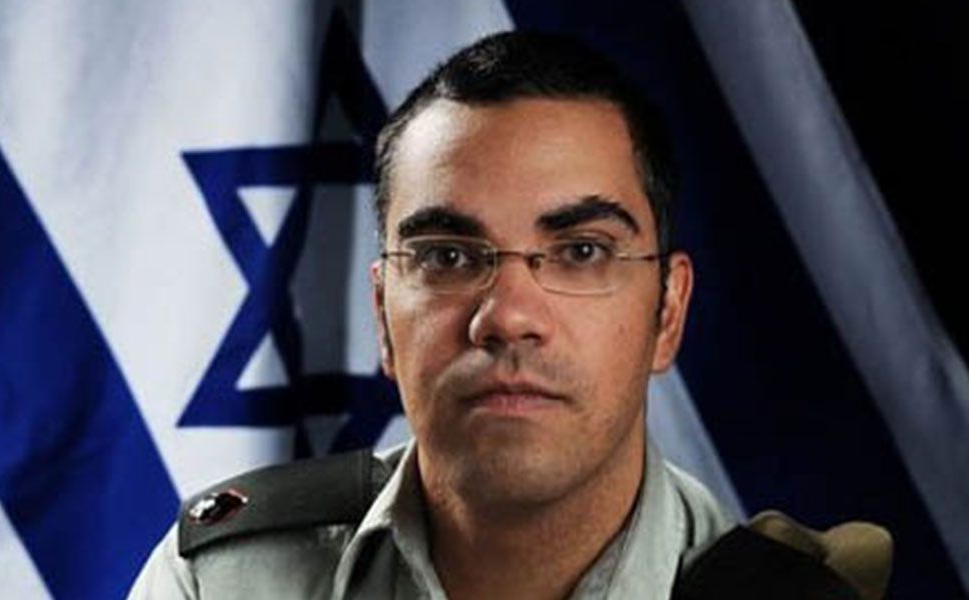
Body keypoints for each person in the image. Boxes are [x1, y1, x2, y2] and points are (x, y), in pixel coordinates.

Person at [129, 31, 891, 600]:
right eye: (448, 256)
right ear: (383, 315)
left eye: (582, 252)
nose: (509, 316)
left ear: (667, 312)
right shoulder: (224, 584)